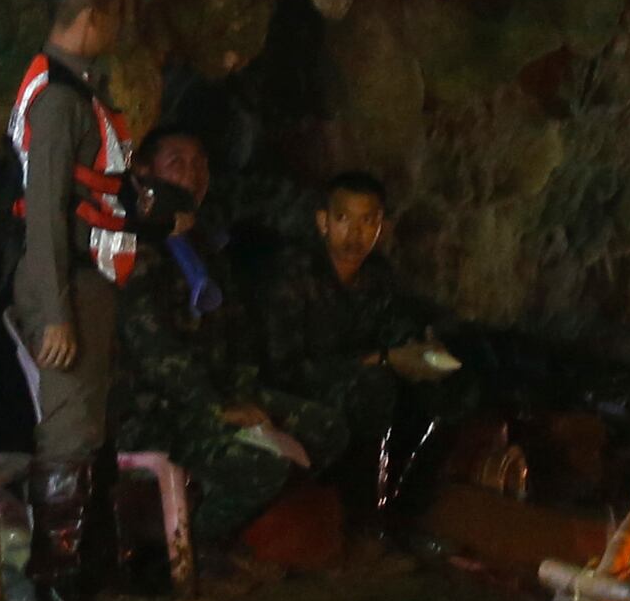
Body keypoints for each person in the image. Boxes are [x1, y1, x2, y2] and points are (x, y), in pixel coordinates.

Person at [117, 129, 382, 558]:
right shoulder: (137, 249)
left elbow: (235, 334)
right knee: (261, 465)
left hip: (217, 392)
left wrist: (244, 394)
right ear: (144, 172)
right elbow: (155, 352)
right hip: (159, 409)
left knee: (326, 428)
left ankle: (248, 533)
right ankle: (187, 552)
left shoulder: (204, 245)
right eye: (177, 163)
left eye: (199, 163)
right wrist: (216, 406)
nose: (192, 175)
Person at [8, 0, 147, 601]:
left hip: (90, 280)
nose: (119, 27)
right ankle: (56, 591)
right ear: (91, 19)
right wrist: (55, 311)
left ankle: (88, 575)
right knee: (66, 431)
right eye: (114, 15)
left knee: (90, 428)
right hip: (69, 283)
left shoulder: (76, 90)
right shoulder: (61, 101)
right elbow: (44, 212)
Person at [262, 170, 457, 532]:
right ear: (323, 222)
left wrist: (424, 348)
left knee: (445, 393)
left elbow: (399, 328)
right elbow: (284, 366)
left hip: (358, 375)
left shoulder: (377, 277)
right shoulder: (294, 275)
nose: (356, 233)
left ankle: (405, 511)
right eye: (343, 219)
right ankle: (360, 525)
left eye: (368, 221)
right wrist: (381, 361)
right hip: (295, 384)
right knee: (372, 389)